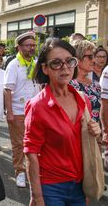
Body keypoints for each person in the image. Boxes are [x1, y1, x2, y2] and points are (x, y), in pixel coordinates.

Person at [24, 38, 100, 206]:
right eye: (56, 63)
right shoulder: (38, 106)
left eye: (69, 61)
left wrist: (96, 132)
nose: (64, 67)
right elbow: (31, 153)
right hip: (51, 187)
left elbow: (86, 143)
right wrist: (37, 196)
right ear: (45, 68)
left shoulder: (83, 100)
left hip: (80, 185)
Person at [4, 31, 40, 188]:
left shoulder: (36, 62)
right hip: (19, 111)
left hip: (36, 111)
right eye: (28, 45)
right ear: (19, 47)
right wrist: (9, 112)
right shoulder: (14, 65)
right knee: (19, 144)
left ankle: (34, 170)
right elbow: (7, 90)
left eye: (33, 45)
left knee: (36, 143)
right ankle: (19, 172)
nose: (32, 48)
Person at [70, 40, 101, 123]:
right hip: (79, 133)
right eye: (90, 57)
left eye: (94, 56)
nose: (94, 60)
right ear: (78, 59)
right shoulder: (69, 85)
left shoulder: (96, 85)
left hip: (98, 133)